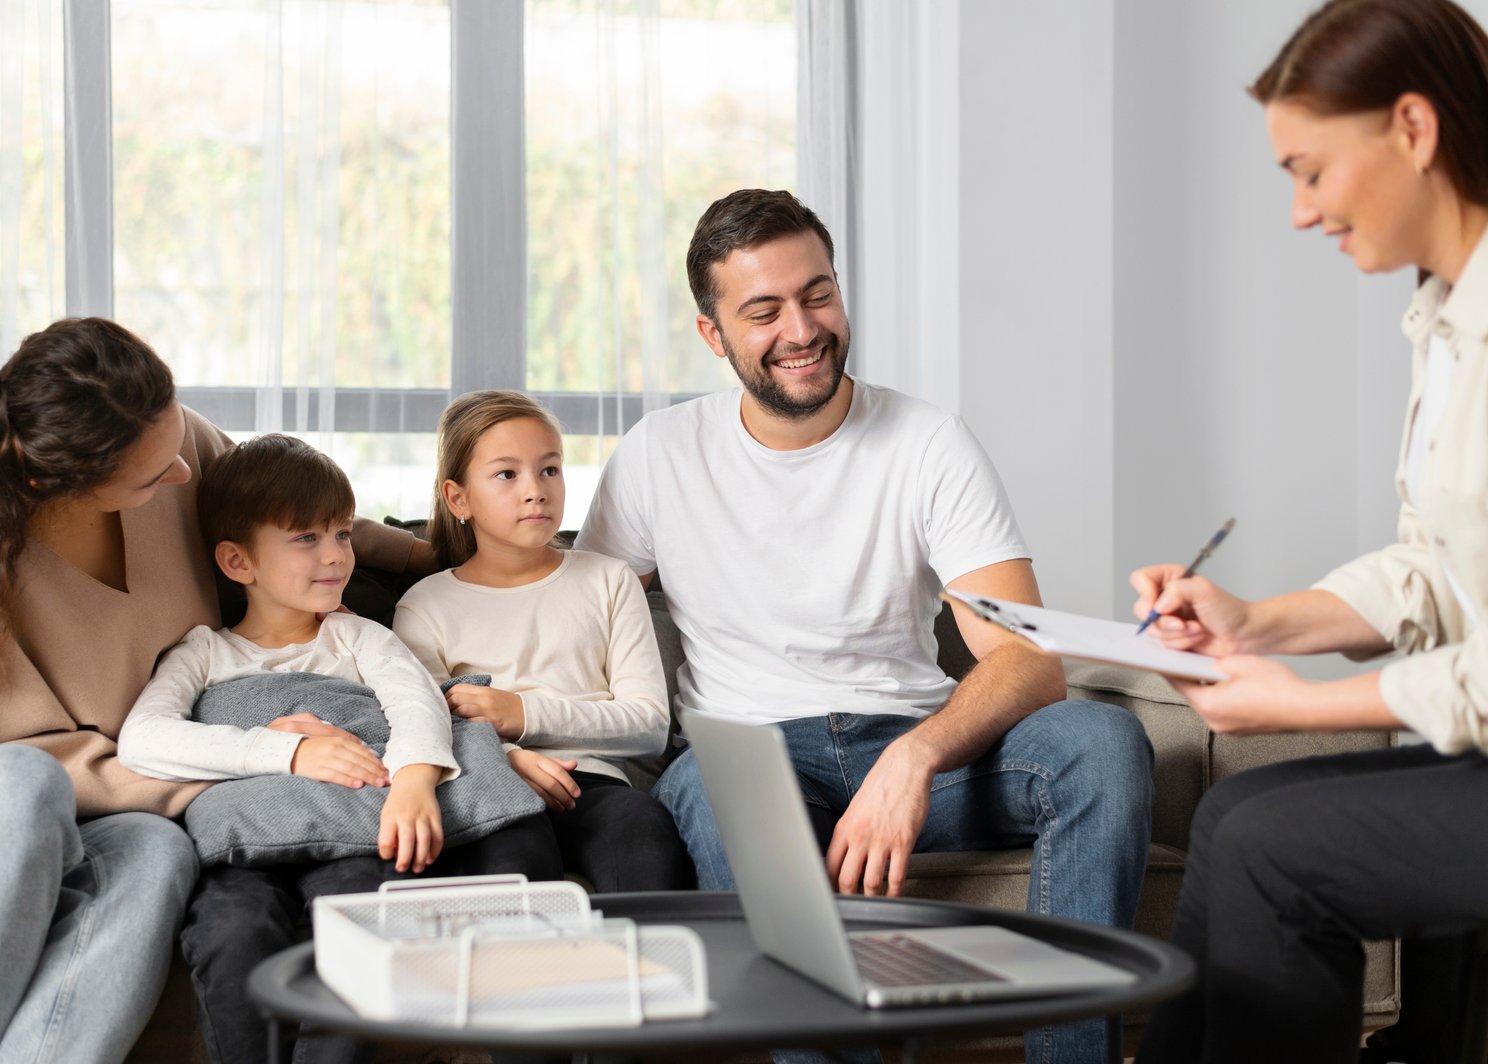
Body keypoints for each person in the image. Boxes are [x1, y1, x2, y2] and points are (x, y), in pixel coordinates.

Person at [575, 189, 1155, 1064]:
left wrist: (914, 758)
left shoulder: (928, 442)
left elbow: (1030, 662)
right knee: (729, 799)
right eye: (764, 311)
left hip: (916, 744)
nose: (802, 329)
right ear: (713, 335)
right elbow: (570, 613)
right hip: (750, 754)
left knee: (1103, 745)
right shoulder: (661, 452)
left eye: (818, 295)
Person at [0, 317, 414, 1064]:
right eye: (151, 475)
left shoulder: (174, 446)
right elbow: (40, 766)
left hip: (104, 793)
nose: (183, 475)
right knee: (24, 786)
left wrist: (436, 556)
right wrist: (257, 759)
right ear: (55, 484)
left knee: (157, 850)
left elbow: (286, 513)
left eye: (177, 442)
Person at [1130, 2, 1488, 1061]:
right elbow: (1437, 569)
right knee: (1233, 819)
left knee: (1275, 852)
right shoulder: (1447, 318)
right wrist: (1257, 622)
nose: (1298, 211)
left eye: (1310, 170)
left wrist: (1300, 704)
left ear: (1412, 128)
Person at [118, 432, 563, 1064]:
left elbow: (417, 704)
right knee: (231, 931)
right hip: (247, 846)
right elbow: (143, 739)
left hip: (355, 832)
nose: (335, 555)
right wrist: (288, 753)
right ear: (238, 562)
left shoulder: (358, 637)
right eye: (307, 538)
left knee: (364, 919)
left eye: (343, 534)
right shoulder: (203, 652)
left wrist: (414, 783)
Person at [394, 390, 691, 892]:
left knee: (644, 837)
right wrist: (507, 756)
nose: (536, 490)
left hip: (594, 784)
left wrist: (521, 713)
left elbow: (649, 725)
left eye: (549, 469)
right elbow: (427, 728)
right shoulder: (424, 606)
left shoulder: (610, 580)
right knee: (511, 857)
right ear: (458, 498)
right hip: (490, 782)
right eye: (506, 475)